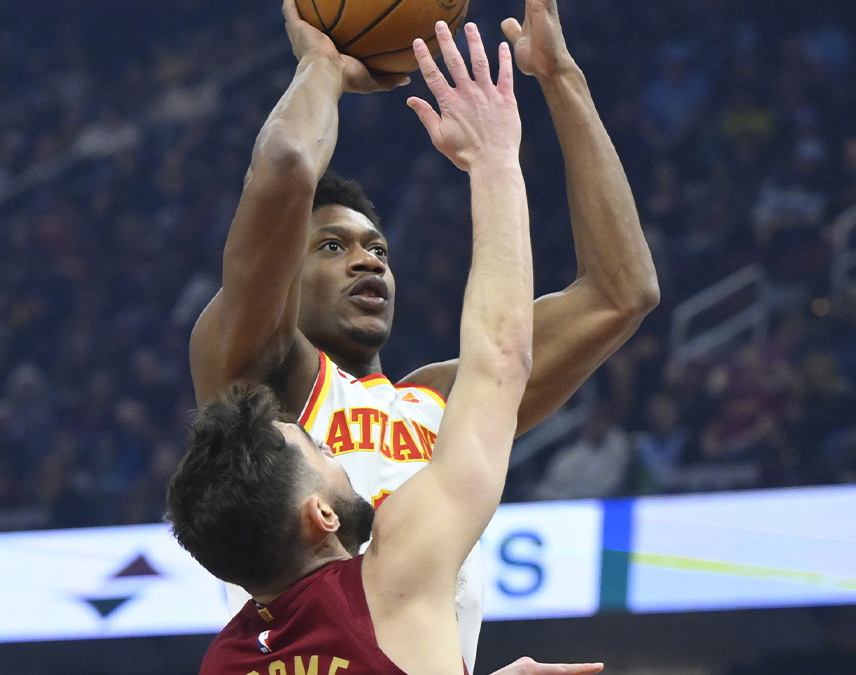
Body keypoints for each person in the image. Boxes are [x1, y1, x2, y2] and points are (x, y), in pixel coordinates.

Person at [188, 0, 659, 667]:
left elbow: (622, 293)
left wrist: (561, 79)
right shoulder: (258, 389)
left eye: (377, 245)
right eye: (331, 245)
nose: (367, 258)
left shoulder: (434, 400)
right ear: (286, 272)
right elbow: (288, 167)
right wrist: (322, 66)